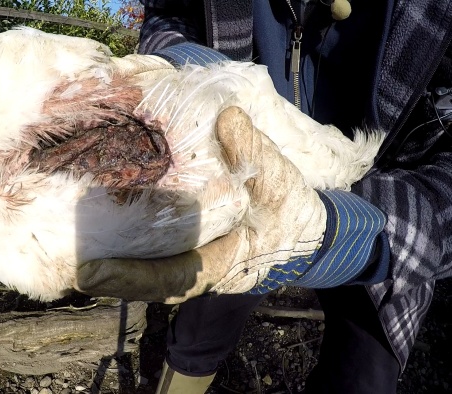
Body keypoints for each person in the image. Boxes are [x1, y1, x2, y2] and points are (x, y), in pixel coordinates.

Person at [75, 0, 452, 393]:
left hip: (388, 206)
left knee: (366, 376)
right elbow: (172, 12)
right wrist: (183, 67)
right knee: (198, 330)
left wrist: (344, 237)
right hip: (239, 179)